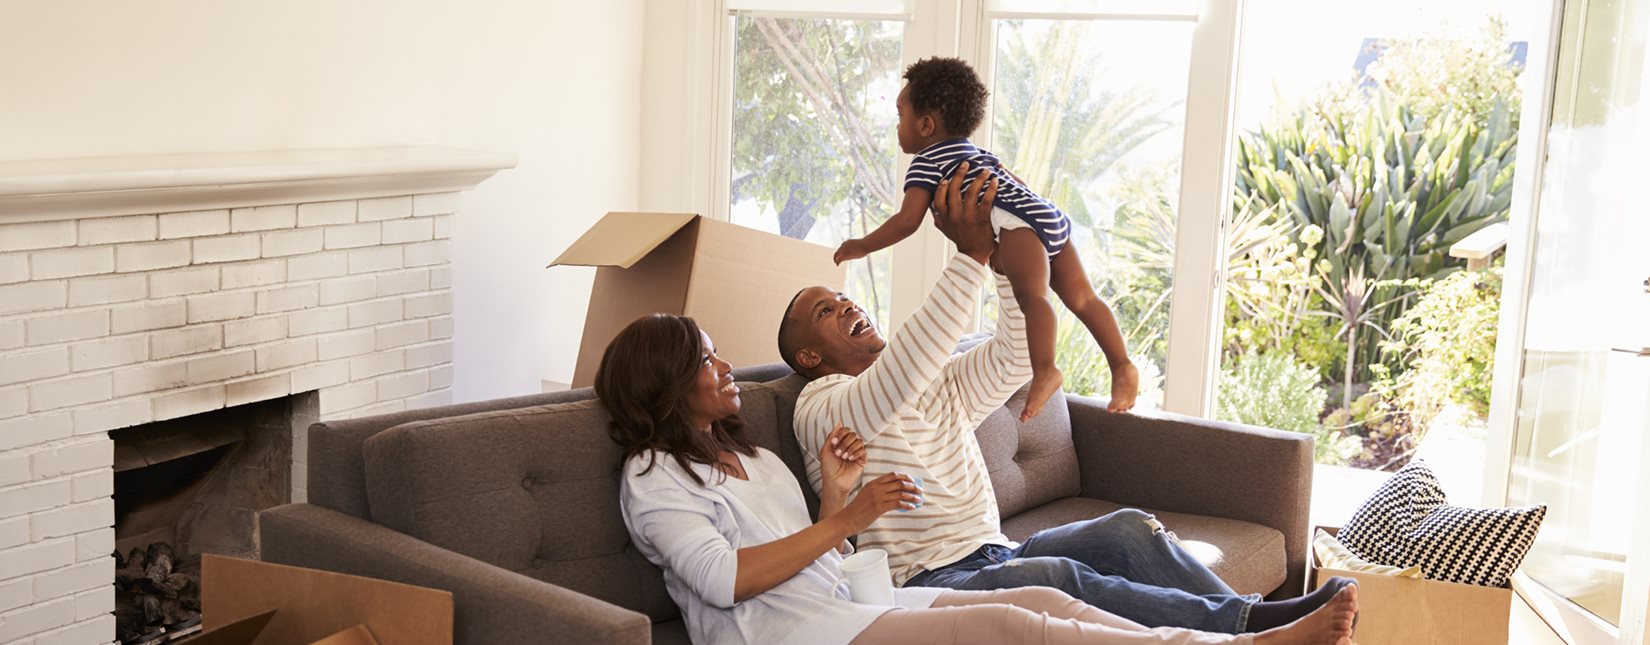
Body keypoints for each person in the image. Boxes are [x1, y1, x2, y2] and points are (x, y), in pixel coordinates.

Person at [782, 161, 1357, 634]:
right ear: (809, 355)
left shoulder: (934, 378)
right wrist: (970, 255)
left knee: (1128, 528)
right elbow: (893, 385)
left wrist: (1006, 267)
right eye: (825, 311)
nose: (848, 306)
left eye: (843, 297)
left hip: (993, 550)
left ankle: (1256, 620)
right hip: (929, 582)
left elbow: (1013, 357)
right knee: (1058, 576)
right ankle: (1251, 630)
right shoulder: (821, 405)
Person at [597, 313, 1358, 645]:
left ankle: (1247, 626)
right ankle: (1247, 641)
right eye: (704, 358)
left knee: (1048, 594)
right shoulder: (655, 475)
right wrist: (845, 512)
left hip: (844, 603)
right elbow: (727, 581)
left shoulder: (753, 459)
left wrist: (833, 494)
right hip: (787, 633)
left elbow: (822, 556)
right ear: (665, 379)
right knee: (1012, 623)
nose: (724, 367)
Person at [832, 56, 1137, 419]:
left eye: (900, 116)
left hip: (1017, 223)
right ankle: (1121, 366)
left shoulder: (927, 163)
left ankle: (1045, 370)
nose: (897, 127)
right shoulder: (978, 154)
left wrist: (863, 245)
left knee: (1033, 296)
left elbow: (907, 221)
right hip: (1044, 212)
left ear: (926, 125)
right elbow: (1016, 184)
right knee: (1084, 298)